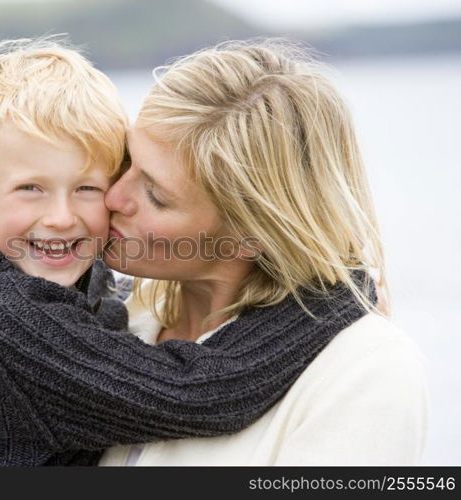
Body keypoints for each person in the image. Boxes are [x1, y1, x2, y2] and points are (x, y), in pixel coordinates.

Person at [0, 37, 388, 467]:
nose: (63, 216)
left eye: (88, 187)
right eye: (30, 188)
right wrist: (339, 297)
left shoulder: (51, 286)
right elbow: (196, 393)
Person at [98, 39, 428, 465]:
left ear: (255, 231)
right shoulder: (109, 313)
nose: (112, 196)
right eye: (126, 161)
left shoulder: (363, 373)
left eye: (156, 196)